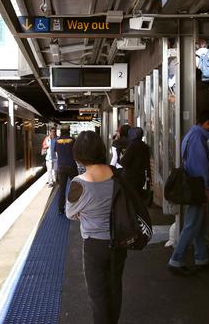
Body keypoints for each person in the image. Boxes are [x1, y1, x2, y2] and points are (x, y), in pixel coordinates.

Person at [66, 131, 127, 324]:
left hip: (94, 245)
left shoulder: (79, 183)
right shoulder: (117, 175)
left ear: (79, 155)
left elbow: (70, 213)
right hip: (119, 240)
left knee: (98, 295)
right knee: (114, 287)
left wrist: (84, 212)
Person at [168, 110, 209, 275]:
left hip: (192, 185)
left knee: (198, 224)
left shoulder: (191, 134)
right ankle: (176, 260)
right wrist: (207, 187)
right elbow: (201, 166)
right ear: (207, 123)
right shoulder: (198, 138)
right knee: (191, 225)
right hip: (197, 187)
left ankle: (201, 258)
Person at [119, 127, 151, 198]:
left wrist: (121, 157)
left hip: (130, 178)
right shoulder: (145, 147)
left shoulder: (132, 146)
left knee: (130, 199)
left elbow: (124, 162)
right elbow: (147, 164)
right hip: (141, 177)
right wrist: (149, 177)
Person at [55, 124, 77, 215]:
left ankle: (61, 209)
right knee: (76, 186)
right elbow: (76, 153)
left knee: (62, 189)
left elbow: (56, 154)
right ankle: (76, 208)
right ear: (69, 130)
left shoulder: (57, 141)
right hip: (71, 166)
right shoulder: (72, 140)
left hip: (61, 167)